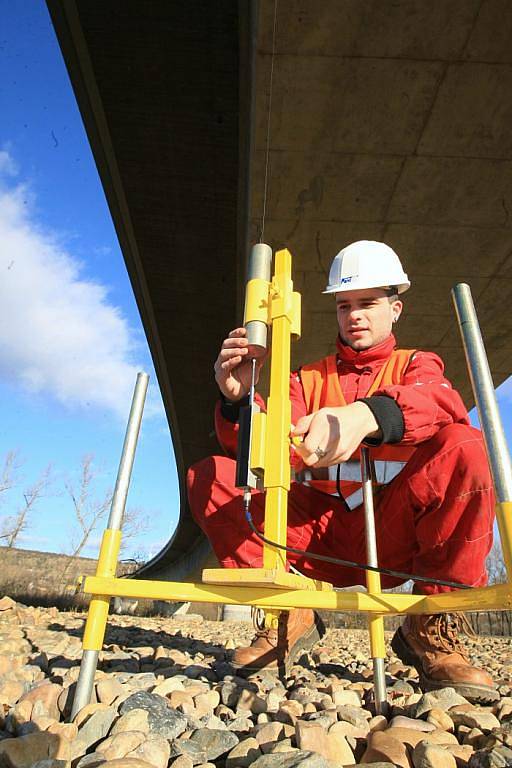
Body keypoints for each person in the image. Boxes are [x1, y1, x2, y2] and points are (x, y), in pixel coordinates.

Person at [187, 240, 497, 702]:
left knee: (466, 445)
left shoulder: (416, 364)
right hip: (314, 535)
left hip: (393, 536)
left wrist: (367, 416)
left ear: (395, 309)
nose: (355, 314)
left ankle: (430, 625)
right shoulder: (304, 378)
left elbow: (439, 400)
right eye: (345, 304)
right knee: (211, 474)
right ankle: (289, 613)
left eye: (368, 303)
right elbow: (261, 452)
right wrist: (238, 402)